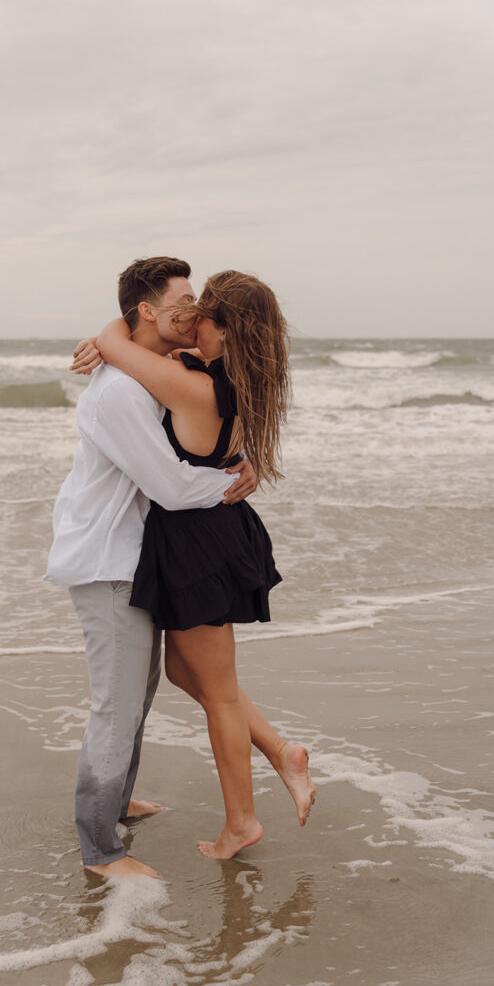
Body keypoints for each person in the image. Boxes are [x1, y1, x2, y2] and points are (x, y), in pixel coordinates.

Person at [71, 269, 316, 859]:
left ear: (222, 327)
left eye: (200, 310)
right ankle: (280, 752)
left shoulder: (191, 384)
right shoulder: (230, 376)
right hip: (214, 537)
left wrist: (109, 331)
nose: (190, 317)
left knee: (220, 692)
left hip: (197, 540)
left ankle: (243, 821)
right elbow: (139, 346)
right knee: (190, 675)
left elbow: (118, 345)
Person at [45, 257, 258, 879]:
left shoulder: (149, 372)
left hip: (134, 556)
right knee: (116, 703)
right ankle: (100, 850)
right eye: (183, 300)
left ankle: (114, 802)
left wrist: (238, 459)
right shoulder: (118, 392)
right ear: (146, 310)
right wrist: (232, 483)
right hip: (106, 559)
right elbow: (168, 484)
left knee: (138, 691)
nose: (193, 311)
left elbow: (180, 438)